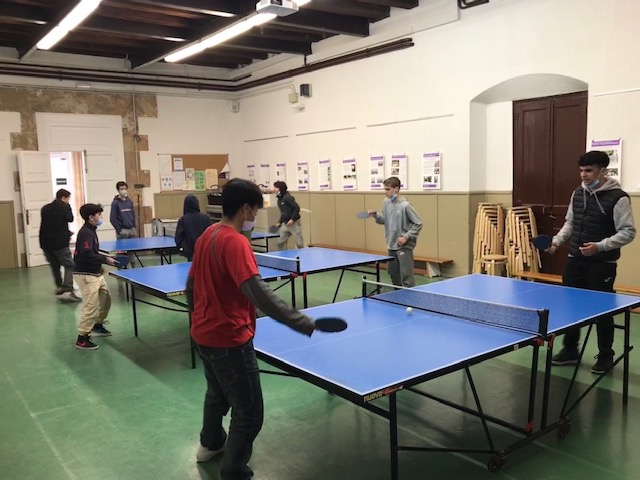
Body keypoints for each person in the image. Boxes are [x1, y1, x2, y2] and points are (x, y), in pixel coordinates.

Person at [187, 178, 328, 480]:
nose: (255, 215)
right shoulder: (236, 242)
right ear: (246, 209)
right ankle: (233, 471)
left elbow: (191, 284)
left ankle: (210, 444)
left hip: (203, 333)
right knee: (249, 412)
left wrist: (195, 320)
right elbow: (258, 292)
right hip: (229, 338)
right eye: (255, 209)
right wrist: (301, 321)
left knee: (217, 394)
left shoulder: (206, 235)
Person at [547, 151, 635, 374]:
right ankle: (570, 350)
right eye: (581, 171)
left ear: (602, 171)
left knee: (602, 310)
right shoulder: (578, 193)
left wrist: (600, 246)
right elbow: (570, 223)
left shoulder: (618, 198)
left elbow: (628, 232)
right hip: (574, 260)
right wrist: (557, 241)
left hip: (602, 263)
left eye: (588, 171)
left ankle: (605, 355)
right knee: (571, 306)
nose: (583, 175)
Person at [73, 203, 117, 350]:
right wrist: (106, 260)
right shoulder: (86, 233)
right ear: (91, 217)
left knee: (105, 299)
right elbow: (86, 255)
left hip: (95, 272)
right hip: (86, 275)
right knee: (91, 306)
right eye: (99, 215)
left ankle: (97, 324)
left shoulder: (91, 230)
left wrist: (100, 264)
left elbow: (93, 253)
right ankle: (82, 337)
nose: (101, 217)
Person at [368, 176, 423, 287]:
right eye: (385, 189)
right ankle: (397, 294)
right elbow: (384, 220)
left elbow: (418, 223)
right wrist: (375, 215)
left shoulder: (405, 206)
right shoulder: (386, 202)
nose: (385, 192)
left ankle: (409, 295)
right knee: (393, 273)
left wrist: (406, 237)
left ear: (396, 189)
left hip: (404, 246)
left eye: (388, 189)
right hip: (391, 244)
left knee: (406, 275)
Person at [39, 189, 81, 302]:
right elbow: (70, 219)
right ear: (63, 198)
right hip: (60, 243)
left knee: (54, 266)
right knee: (69, 265)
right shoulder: (65, 207)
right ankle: (68, 290)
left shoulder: (45, 208)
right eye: (68, 199)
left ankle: (59, 287)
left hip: (46, 243)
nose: (68, 201)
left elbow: (52, 224)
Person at [175, 194, 212, 261]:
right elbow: (212, 234)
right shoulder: (206, 218)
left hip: (190, 253)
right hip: (205, 251)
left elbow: (178, 237)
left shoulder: (183, 219)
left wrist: (181, 248)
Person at [271, 181, 304, 250]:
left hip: (294, 223)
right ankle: (280, 256)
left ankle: (302, 256)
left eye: (275, 187)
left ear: (280, 188)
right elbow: (284, 213)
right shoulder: (279, 200)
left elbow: (296, 208)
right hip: (285, 224)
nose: (273, 189)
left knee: (299, 244)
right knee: (279, 243)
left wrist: (292, 219)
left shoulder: (287, 197)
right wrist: (280, 222)